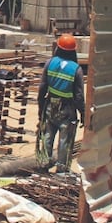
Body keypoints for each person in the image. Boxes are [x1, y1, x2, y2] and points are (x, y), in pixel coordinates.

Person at [36, 33, 85, 173]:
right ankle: (62, 172)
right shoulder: (76, 69)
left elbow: (42, 89)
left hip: (50, 106)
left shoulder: (50, 63)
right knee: (65, 142)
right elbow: (79, 96)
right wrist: (83, 113)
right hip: (67, 110)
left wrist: (41, 111)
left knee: (47, 136)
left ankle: (42, 167)